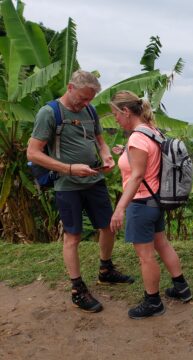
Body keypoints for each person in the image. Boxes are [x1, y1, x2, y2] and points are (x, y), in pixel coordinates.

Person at [27, 70, 134, 313]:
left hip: (94, 179)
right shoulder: (49, 113)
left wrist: (106, 156)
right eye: (83, 98)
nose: (86, 103)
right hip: (67, 185)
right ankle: (77, 289)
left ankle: (105, 269)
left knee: (107, 226)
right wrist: (69, 168)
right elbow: (32, 153)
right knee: (72, 236)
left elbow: (100, 140)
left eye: (90, 99)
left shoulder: (89, 110)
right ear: (70, 87)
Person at [109, 90, 192, 320]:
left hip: (141, 202)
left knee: (145, 256)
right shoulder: (152, 131)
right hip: (155, 201)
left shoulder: (136, 137)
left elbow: (136, 177)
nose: (115, 118)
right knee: (162, 244)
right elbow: (149, 160)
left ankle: (153, 301)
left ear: (126, 112)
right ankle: (181, 288)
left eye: (115, 114)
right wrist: (125, 152)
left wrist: (120, 208)